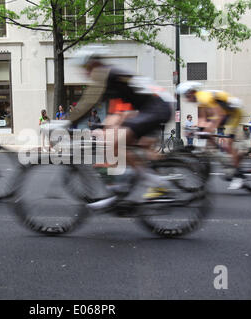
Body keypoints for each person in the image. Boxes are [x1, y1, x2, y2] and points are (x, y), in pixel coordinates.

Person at [68, 45, 173, 202]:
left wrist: (66, 121)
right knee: (119, 142)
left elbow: (88, 102)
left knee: (115, 143)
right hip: (152, 108)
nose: (84, 72)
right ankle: (130, 177)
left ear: (92, 63)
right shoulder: (111, 74)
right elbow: (114, 111)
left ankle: (156, 183)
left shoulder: (104, 73)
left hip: (156, 108)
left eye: (84, 68)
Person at [176, 82, 244, 190]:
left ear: (191, 92)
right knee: (205, 133)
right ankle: (222, 156)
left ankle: (238, 175)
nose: (185, 99)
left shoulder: (204, 98)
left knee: (227, 144)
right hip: (225, 113)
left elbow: (220, 115)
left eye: (186, 96)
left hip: (234, 113)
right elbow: (202, 119)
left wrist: (209, 129)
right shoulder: (199, 101)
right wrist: (192, 129)